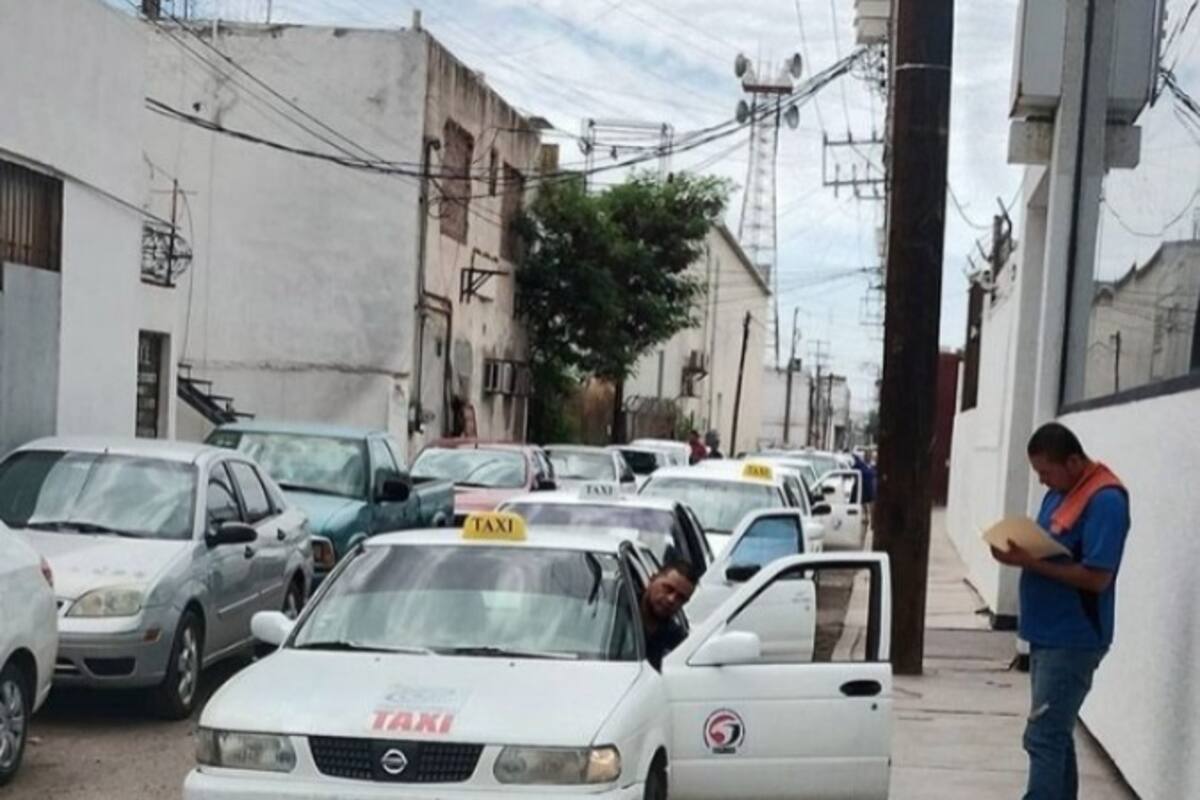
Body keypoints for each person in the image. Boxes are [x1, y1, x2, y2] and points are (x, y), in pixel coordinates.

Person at [990, 422, 1130, 800]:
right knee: (1056, 733)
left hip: (1074, 638)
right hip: (1045, 633)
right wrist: (1012, 551)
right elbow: (1048, 544)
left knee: (1043, 736)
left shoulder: (1106, 501)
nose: (1042, 482)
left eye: (1046, 472)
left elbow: (1097, 577)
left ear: (1072, 461)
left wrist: (1031, 564)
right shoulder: (1061, 492)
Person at [640, 560, 696, 670]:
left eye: (681, 598)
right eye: (668, 589)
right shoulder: (616, 609)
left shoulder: (676, 641)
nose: (671, 599)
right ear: (652, 579)